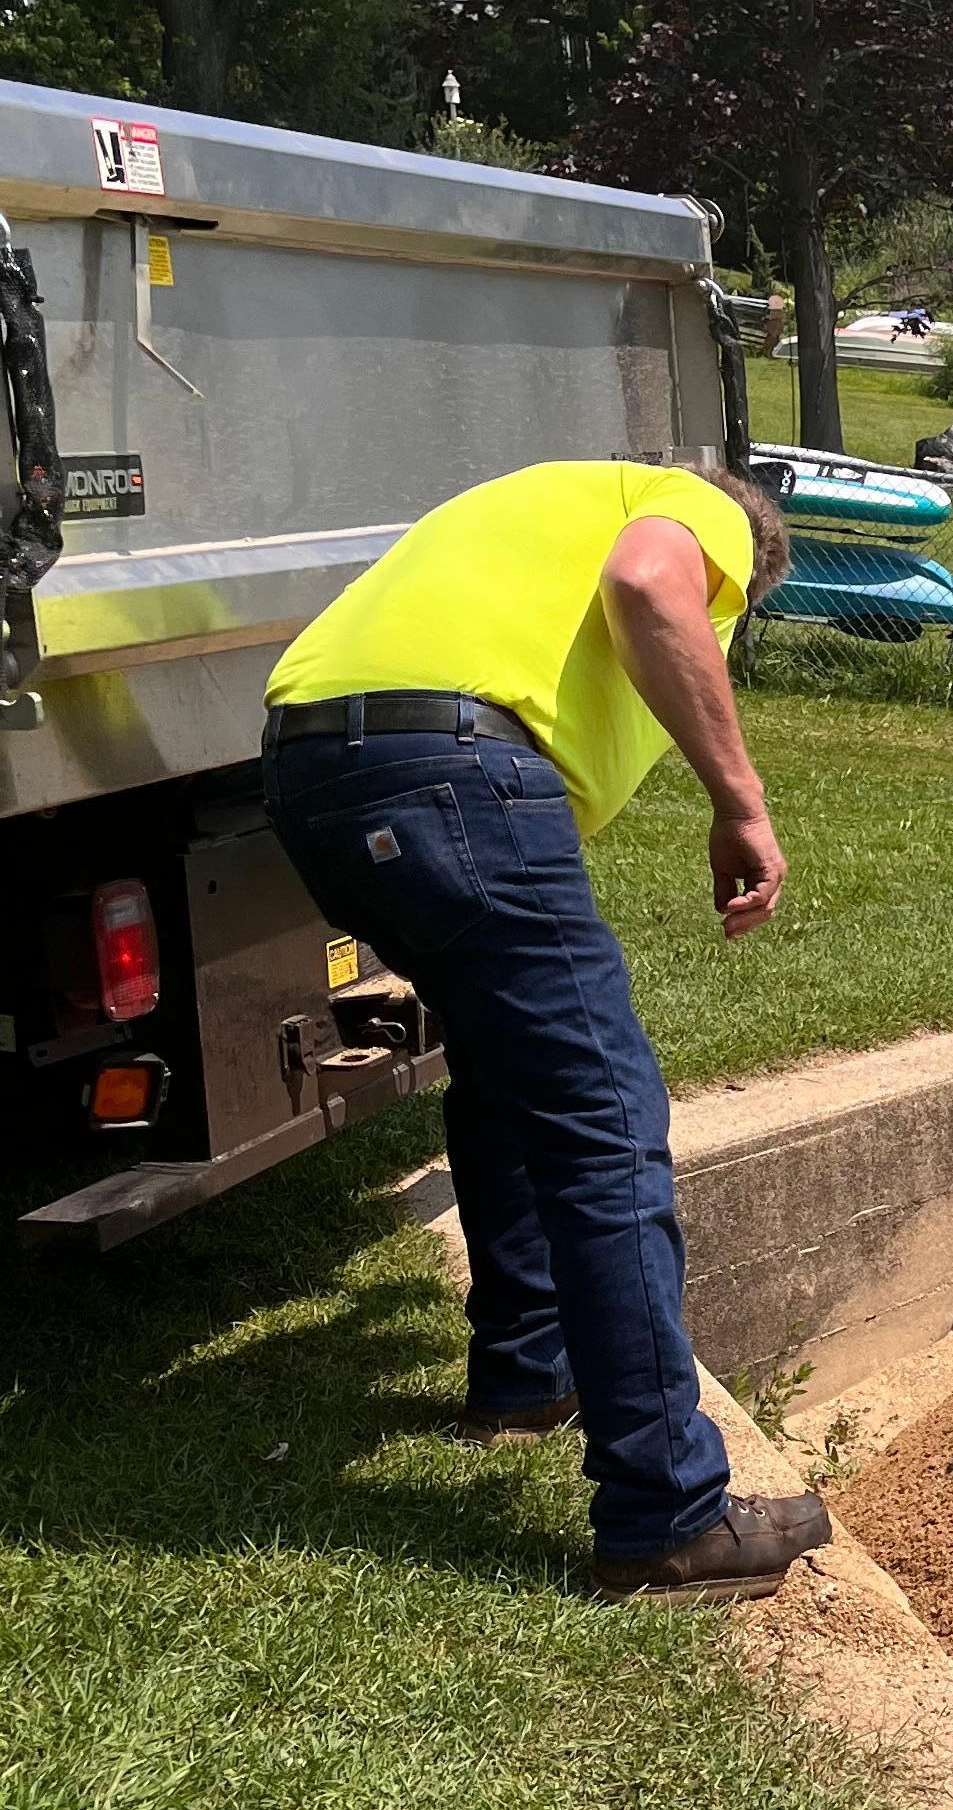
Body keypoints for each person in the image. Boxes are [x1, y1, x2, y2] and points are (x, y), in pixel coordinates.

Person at [261, 456, 831, 1603]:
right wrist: (742, 802)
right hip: (449, 766)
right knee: (604, 1121)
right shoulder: (690, 515)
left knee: (508, 1068)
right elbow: (649, 587)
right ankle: (666, 1514)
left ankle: (525, 1374)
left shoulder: (539, 503)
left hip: (309, 770)